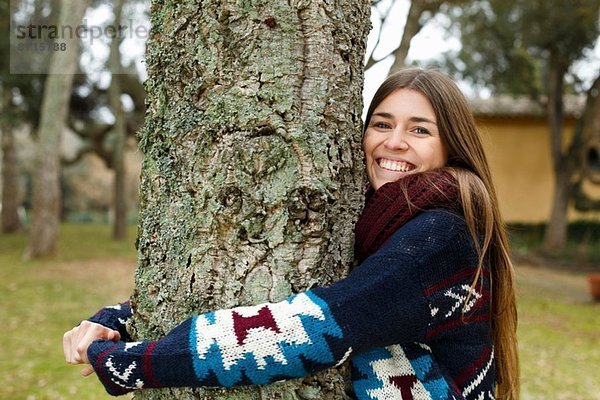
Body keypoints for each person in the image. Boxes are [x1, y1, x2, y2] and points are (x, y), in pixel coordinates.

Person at [63, 68, 520, 399]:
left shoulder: (439, 235)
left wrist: (133, 363)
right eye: (382, 123)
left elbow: (305, 330)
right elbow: (346, 292)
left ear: (451, 146)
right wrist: (121, 316)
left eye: (419, 130)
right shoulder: (381, 223)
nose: (394, 142)